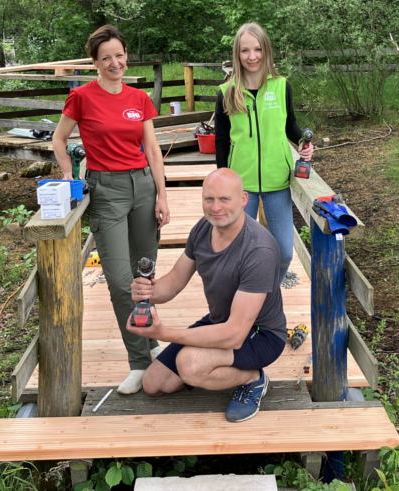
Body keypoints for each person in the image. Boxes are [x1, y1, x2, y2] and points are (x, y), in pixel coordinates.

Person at [52, 25, 170, 394]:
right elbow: (59, 139)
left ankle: (150, 343)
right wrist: (70, 175)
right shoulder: (82, 98)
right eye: (106, 58)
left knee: (144, 275)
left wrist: (162, 196)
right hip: (106, 190)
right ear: (95, 63)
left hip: (143, 187)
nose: (115, 62)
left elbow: (152, 151)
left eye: (119, 55)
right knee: (121, 282)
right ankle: (139, 363)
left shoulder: (139, 98)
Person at [127, 168, 287, 422]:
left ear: (243, 200)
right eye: (209, 199)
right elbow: (175, 281)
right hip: (220, 321)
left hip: (260, 334)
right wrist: (149, 291)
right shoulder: (203, 228)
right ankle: (217, 368)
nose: (215, 207)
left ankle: (254, 378)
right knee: (154, 383)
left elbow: (234, 335)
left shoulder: (259, 250)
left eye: (225, 199)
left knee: (190, 366)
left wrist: (163, 334)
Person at [213, 22, 314, 283]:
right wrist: (222, 181)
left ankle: (268, 297)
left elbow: (290, 125)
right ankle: (242, 304)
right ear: (237, 54)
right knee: (238, 251)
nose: (252, 56)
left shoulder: (282, 87)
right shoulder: (226, 93)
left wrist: (303, 141)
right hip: (240, 187)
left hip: (276, 182)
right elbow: (222, 141)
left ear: (266, 50)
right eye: (245, 51)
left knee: (282, 252)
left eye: (257, 49)